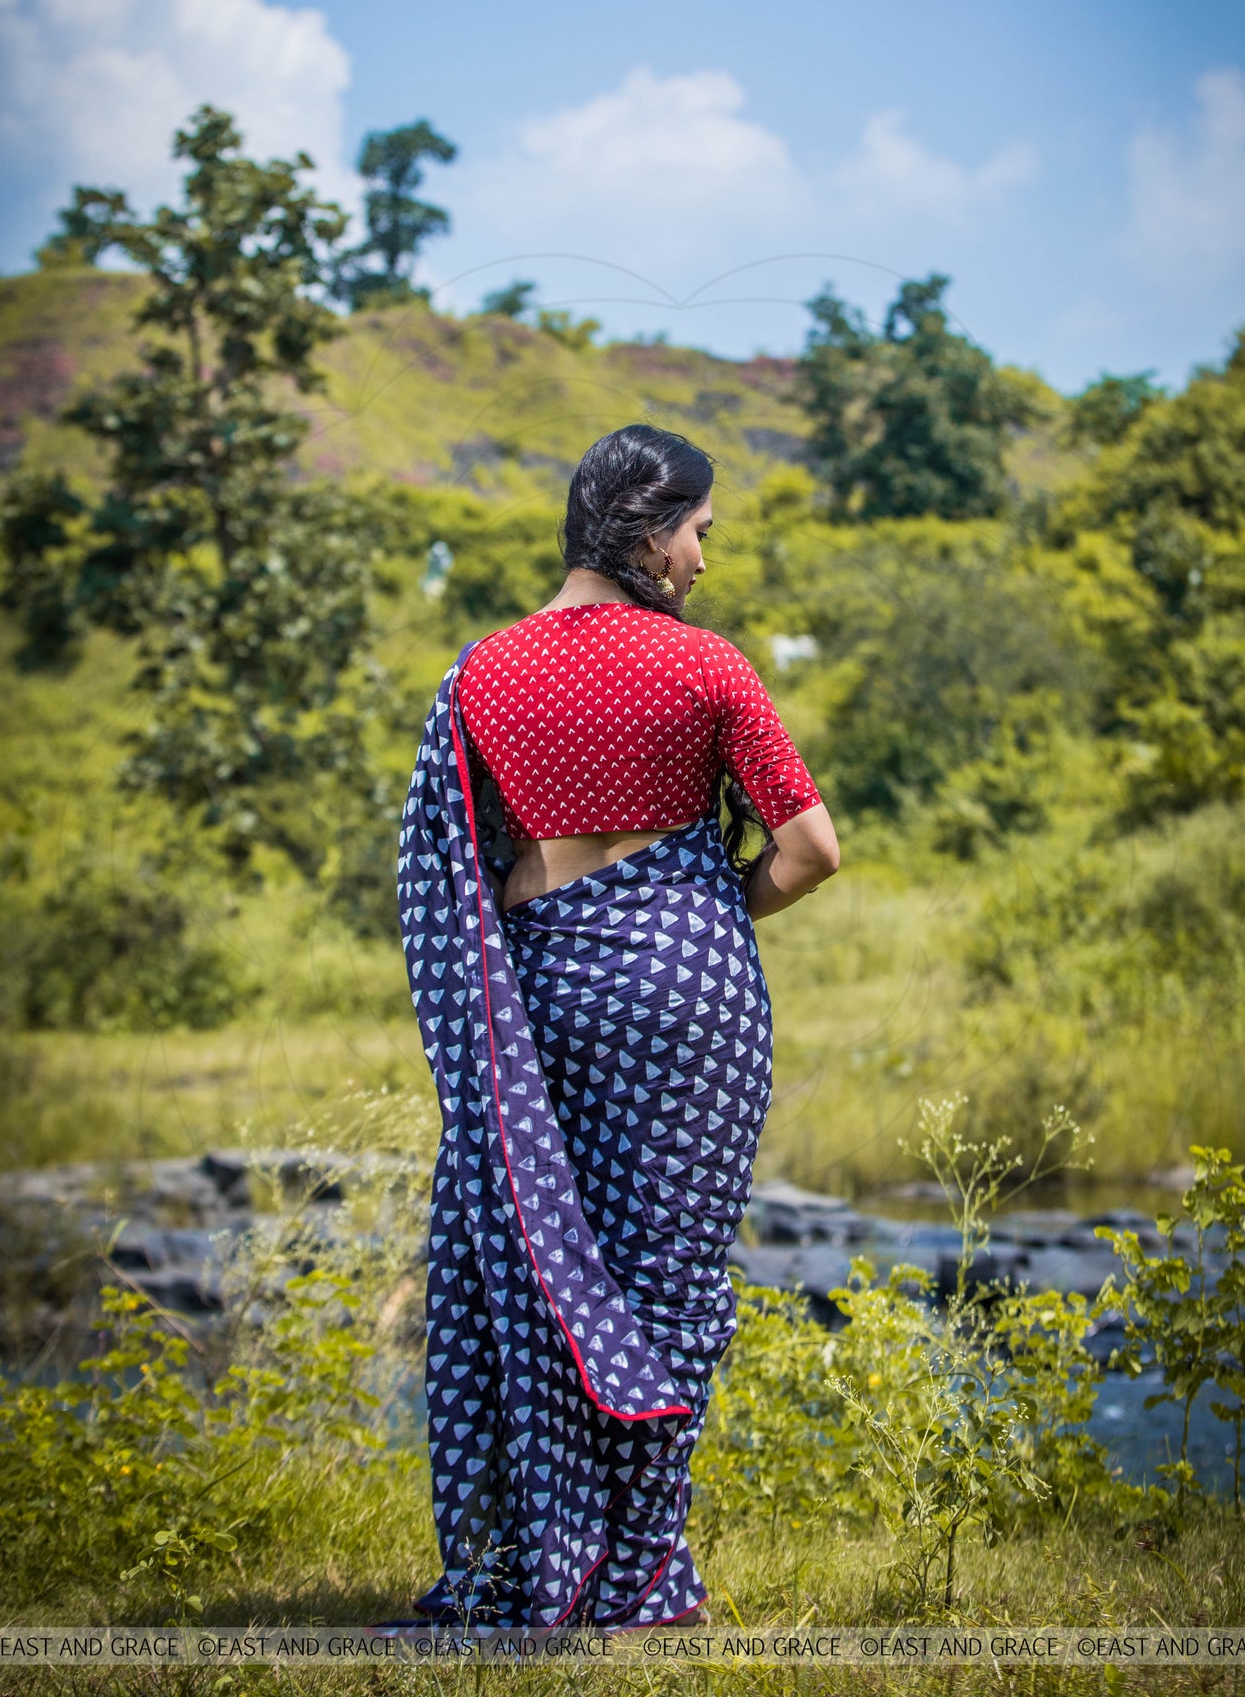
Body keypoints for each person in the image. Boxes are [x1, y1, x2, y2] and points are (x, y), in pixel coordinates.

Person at [396, 424, 839, 1629]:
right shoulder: (710, 668)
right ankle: (640, 1567)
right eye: (700, 531)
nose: (703, 559)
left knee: (538, 1269)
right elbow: (810, 850)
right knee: (669, 1278)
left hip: (542, 1002)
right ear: (651, 528)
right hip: (690, 999)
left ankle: (528, 1558)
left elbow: (465, 873)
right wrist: (698, 905)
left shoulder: (478, 673)